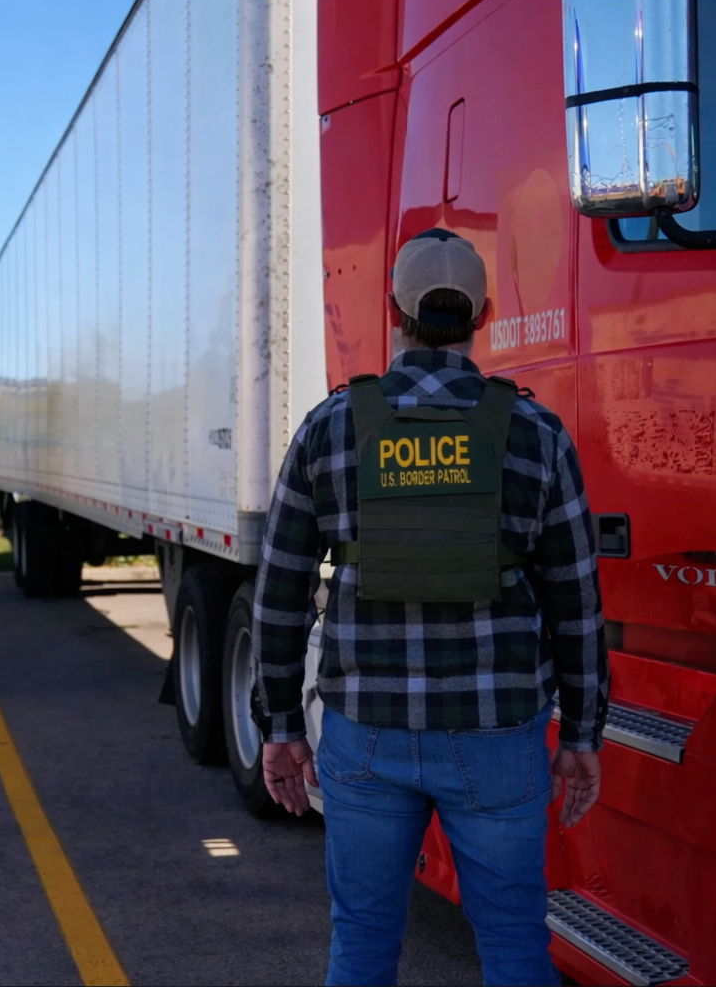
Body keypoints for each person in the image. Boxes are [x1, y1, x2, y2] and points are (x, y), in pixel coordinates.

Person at [252, 228, 608, 986]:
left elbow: (280, 594)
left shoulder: (330, 426)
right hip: (498, 733)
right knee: (513, 945)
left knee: (362, 943)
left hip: (366, 732)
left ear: (394, 311)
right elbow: (576, 602)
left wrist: (281, 726)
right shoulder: (537, 434)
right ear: (482, 314)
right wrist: (581, 735)